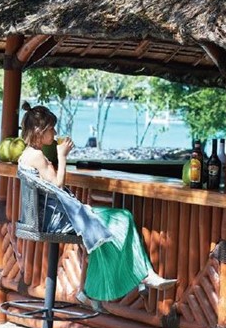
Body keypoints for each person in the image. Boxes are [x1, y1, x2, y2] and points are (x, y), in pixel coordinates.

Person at [18, 102, 177, 308]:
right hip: (59, 222)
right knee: (122, 218)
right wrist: (62, 156)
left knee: (102, 236)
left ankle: (94, 291)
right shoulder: (38, 156)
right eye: (52, 129)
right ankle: (142, 275)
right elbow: (57, 184)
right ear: (40, 131)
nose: (55, 133)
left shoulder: (26, 155)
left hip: (49, 218)